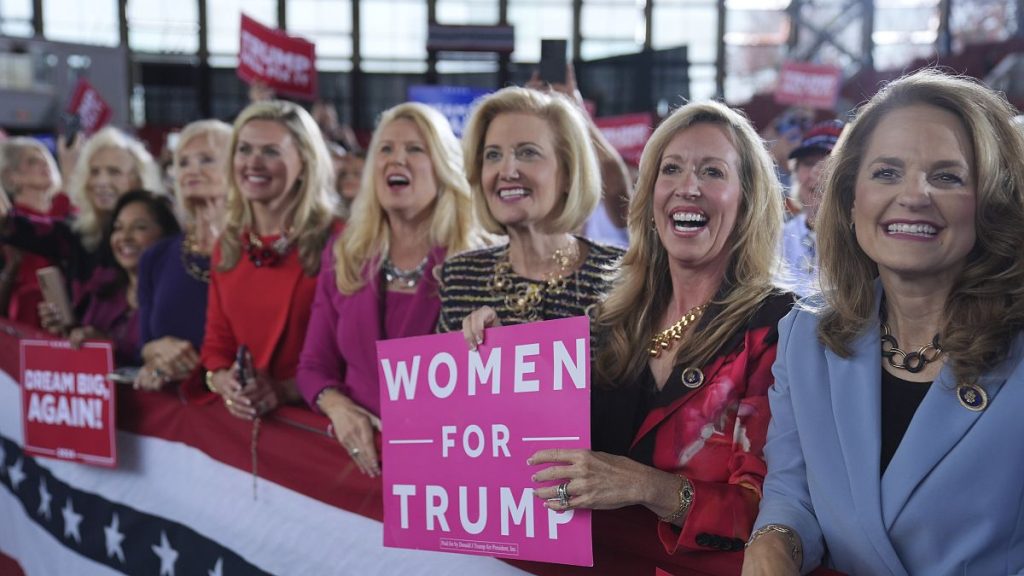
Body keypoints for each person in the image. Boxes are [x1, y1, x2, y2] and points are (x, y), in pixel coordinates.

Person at [743, 70, 1024, 575]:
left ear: (991, 204)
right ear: (852, 201)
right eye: (887, 172)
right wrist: (774, 541)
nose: (914, 195)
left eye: (947, 177)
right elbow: (793, 492)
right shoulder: (804, 335)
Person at [528, 100, 792, 576]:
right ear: (651, 197)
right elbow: (534, 444)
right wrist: (482, 345)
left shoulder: (777, 326)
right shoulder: (610, 318)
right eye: (671, 169)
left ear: (747, 202)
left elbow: (772, 515)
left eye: (712, 172)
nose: (688, 187)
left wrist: (646, 486)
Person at [297, 102, 480, 477]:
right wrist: (337, 407)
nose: (397, 159)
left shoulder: (480, 259)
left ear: (444, 168)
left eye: (415, 149)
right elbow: (313, 366)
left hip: (446, 473)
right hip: (358, 467)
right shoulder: (344, 253)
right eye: (386, 149)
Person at [438, 86, 623, 342]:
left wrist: (507, 350)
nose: (506, 171)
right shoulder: (461, 278)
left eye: (528, 153)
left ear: (569, 173)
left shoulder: (622, 274)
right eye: (493, 155)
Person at [202, 100, 337, 420]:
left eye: (271, 152)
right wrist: (223, 381)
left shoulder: (340, 241)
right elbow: (216, 344)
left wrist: (283, 390)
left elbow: (351, 355)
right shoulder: (229, 245)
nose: (253, 162)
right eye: (244, 149)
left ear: (305, 162)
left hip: (320, 423)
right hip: (245, 426)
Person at [0, 127, 163, 304]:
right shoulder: (78, 233)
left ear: (138, 179)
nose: (101, 181)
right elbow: (15, 225)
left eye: (114, 172)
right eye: (94, 172)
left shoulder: (160, 232)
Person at [134, 120, 232, 391]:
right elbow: (144, 344)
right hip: (171, 408)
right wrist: (156, 351)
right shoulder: (156, 257)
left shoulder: (256, 254)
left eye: (206, 159)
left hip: (234, 406)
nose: (192, 170)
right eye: (183, 162)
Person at [41, 190, 181, 366]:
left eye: (139, 227)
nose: (125, 237)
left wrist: (107, 348)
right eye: (118, 228)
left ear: (166, 236)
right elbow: (78, 354)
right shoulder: (102, 288)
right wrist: (67, 331)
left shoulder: (178, 297)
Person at [0, 137, 66, 327]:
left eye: (46, 158)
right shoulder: (8, 225)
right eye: (32, 161)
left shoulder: (67, 212)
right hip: (26, 318)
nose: (44, 164)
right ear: (11, 175)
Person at [778, 120, 845, 296]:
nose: (817, 173)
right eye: (808, 163)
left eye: (830, 163)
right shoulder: (775, 240)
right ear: (795, 172)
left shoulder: (865, 242)